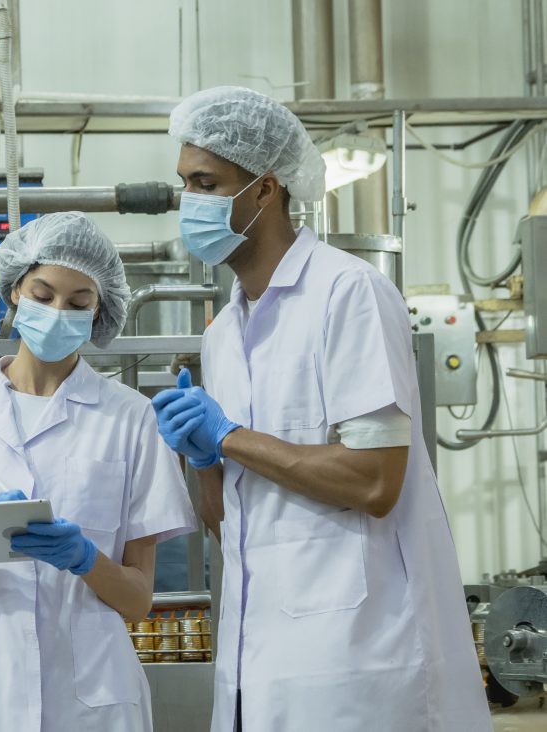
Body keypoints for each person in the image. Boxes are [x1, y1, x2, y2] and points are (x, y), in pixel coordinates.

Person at [152, 86, 491, 732]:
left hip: (357, 668)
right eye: (183, 186)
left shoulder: (348, 294)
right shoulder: (223, 333)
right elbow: (234, 522)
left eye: (205, 182)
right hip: (260, 667)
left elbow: (375, 479)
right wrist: (204, 463)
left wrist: (228, 437)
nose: (188, 204)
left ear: (265, 190)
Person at [0, 211, 197, 732]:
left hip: (88, 702)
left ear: (100, 312)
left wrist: (86, 559)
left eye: (78, 302)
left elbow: (138, 600)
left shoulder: (129, 417)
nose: (56, 311)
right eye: (43, 294)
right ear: (12, 295)